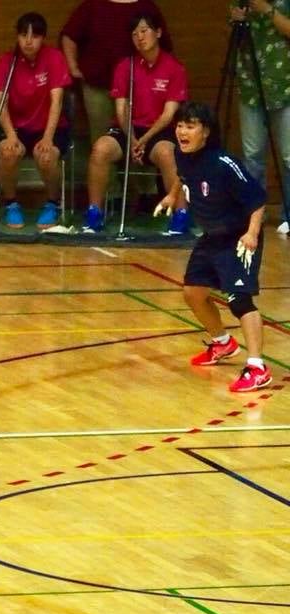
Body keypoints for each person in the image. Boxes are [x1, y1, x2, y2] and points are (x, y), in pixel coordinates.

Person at [154, 102, 270, 392]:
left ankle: (258, 367)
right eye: (180, 125)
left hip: (239, 236)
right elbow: (183, 176)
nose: (182, 131)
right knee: (193, 292)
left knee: (239, 300)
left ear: (205, 132)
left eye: (190, 126)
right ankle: (223, 343)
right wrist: (171, 196)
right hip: (212, 237)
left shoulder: (224, 164)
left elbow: (258, 200)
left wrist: (252, 234)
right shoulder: (182, 154)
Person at [81, 12, 188, 233]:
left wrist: (143, 140)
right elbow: (121, 110)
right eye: (134, 33)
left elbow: (168, 115)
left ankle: (180, 214)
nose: (139, 37)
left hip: (158, 131)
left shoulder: (174, 68)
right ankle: (94, 213)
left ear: (158, 33)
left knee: (168, 154)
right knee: (100, 149)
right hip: (128, 129)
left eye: (144, 31)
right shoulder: (125, 66)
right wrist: (131, 139)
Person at [0, 12, 72, 229]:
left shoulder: (54, 58)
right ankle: (11, 204)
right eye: (23, 35)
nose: (28, 41)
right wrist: (11, 135)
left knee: (46, 156)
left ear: (43, 38)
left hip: (49, 127)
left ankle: (53, 203)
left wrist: (48, 137)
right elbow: (1, 104)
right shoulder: (6, 62)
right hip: (17, 128)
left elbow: (57, 102)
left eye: (34, 36)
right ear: (17, 37)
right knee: (8, 153)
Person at [61, 0, 173, 142]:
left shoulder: (147, 6)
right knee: (101, 138)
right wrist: (73, 67)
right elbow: (69, 36)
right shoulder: (92, 5)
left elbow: (163, 45)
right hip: (98, 85)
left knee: (139, 135)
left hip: (137, 87)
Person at [229, 0, 290, 234]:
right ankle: (255, 213)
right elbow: (231, 39)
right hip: (250, 86)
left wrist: (266, 9)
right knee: (252, 155)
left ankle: (288, 214)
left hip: (284, 84)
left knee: (289, 155)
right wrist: (236, 21)